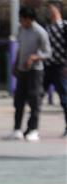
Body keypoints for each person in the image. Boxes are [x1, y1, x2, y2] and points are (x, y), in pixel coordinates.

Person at [8, 6, 51, 142]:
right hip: (22, 70)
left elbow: (48, 52)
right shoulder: (22, 30)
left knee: (34, 100)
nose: (20, 22)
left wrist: (34, 57)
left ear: (29, 19)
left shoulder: (40, 32)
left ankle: (33, 129)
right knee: (19, 100)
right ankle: (17, 129)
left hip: (35, 71)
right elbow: (20, 47)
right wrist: (15, 64)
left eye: (22, 19)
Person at [44, 0, 67, 137]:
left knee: (64, 98)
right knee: (37, 95)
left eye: (51, 9)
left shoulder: (64, 26)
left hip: (60, 67)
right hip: (47, 66)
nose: (49, 12)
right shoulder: (47, 28)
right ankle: (31, 127)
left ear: (57, 10)